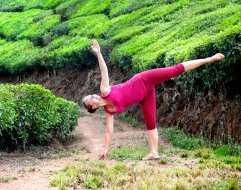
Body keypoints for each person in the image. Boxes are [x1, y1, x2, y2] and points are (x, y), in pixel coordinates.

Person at [82, 39, 225, 160]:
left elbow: (104, 70)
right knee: (150, 123)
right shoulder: (109, 111)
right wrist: (105, 150)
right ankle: (154, 152)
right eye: (91, 99)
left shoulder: (105, 91)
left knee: (174, 70)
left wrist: (99, 53)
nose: (94, 96)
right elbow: (108, 131)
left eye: (92, 95)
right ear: (93, 107)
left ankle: (209, 59)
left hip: (144, 79)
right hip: (145, 96)